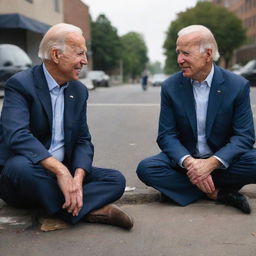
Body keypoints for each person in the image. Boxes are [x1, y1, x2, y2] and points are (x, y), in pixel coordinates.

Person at [0, 23, 133, 230]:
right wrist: (60, 171)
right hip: (30, 173)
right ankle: (92, 210)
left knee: (115, 180)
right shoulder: (20, 84)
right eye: (80, 54)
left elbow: (82, 140)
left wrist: (77, 177)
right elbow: (17, 135)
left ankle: (59, 211)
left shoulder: (78, 90)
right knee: (19, 168)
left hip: (63, 173)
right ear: (55, 55)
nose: (85, 61)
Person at [137, 24, 256, 214]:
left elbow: (244, 137)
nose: (180, 60)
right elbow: (166, 135)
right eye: (178, 53)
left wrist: (212, 163)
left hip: (222, 162)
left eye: (185, 53)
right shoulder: (170, 86)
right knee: (147, 168)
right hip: (186, 163)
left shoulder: (237, 86)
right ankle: (217, 193)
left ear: (208, 54)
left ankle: (183, 189)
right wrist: (190, 163)